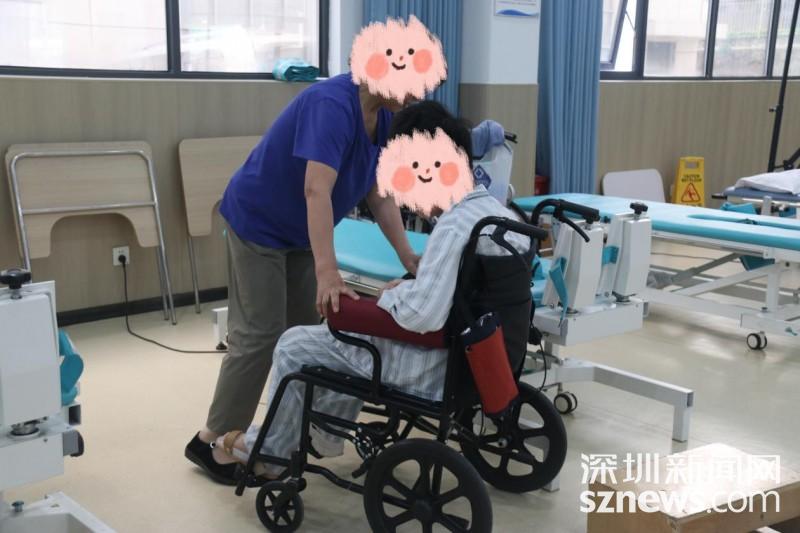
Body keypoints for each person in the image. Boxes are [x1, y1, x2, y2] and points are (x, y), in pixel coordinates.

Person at [185, 16, 449, 485]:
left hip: (299, 233)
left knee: (305, 336)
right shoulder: (332, 104)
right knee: (260, 335)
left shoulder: (386, 117)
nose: (416, 95)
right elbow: (316, 189)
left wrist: (407, 254)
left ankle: (280, 436)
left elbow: (379, 194)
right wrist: (328, 270)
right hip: (259, 222)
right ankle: (211, 440)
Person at [207, 100, 530, 474]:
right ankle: (324, 434)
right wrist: (409, 285)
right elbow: (457, 293)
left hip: (434, 371)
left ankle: (269, 451)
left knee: (296, 343)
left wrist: (389, 296)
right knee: (343, 342)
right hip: (487, 359)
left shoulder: (454, 226)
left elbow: (422, 315)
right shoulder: (499, 213)